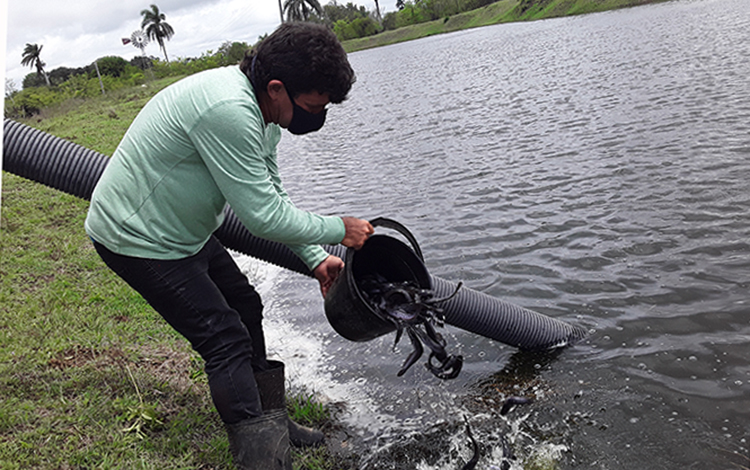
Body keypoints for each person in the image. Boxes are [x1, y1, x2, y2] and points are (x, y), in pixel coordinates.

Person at [85, 22, 373, 470]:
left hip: (183, 230)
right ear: (277, 88)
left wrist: (317, 258)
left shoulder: (264, 115)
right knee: (224, 339)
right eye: (315, 106)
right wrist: (340, 229)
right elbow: (261, 218)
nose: (320, 116)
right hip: (138, 237)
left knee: (246, 305)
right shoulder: (228, 110)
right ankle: (260, 458)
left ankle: (271, 424)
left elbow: (272, 199)